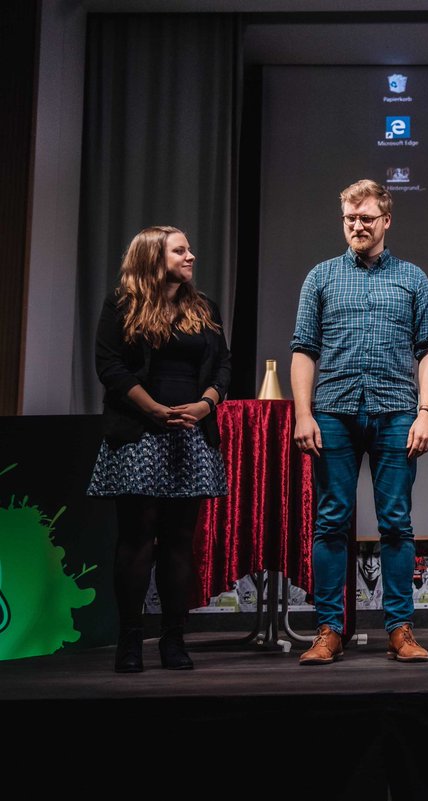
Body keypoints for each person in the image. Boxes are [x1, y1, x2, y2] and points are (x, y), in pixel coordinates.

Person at [291, 179, 428, 665]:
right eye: (350, 219)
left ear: (386, 221)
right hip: (333, 411)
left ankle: (400, 629)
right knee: (331, 521)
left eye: (366, 218)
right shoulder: (320, 277)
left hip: (397, 411)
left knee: (396, 522)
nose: (357, 226)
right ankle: (329, 630)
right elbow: (302, 351)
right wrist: (302, 414)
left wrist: (426, 412)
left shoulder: (412, 278)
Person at [87, 225, 231, 673]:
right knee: (136, 539)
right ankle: (130, 640)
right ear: (154, 256)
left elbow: (223, 364)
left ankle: (173, 638)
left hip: (189, 433)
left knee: (179, 542)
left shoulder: (202, 306)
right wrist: (151, 408)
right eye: (180, 250)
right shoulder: (123, 303)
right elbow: (108, 364)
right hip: (139, 432)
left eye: (190, 249)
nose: (191, 257)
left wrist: (207, 404)